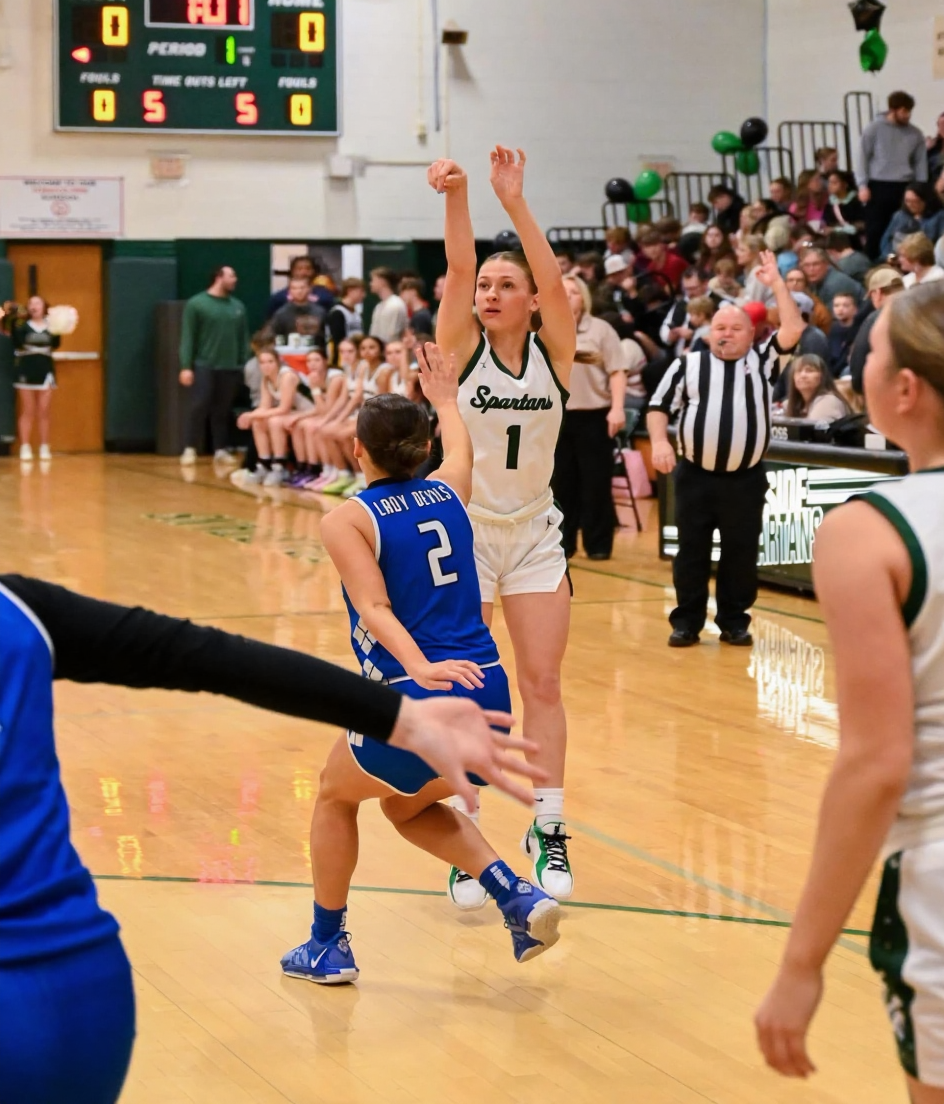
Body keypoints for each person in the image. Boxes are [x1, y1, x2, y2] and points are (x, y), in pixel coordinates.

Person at [0, 571, 536, 1104]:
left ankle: (329, 940)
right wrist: (404, 720)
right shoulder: (19, 610)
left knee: (339, 796)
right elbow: (214, 656)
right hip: (85, 987)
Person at [280, 346, 562, 985]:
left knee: (333, 795)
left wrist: (417, 667)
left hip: (417, 694)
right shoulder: (450, 491)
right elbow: (462, 448)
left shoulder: (347, 519)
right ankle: (516, 895)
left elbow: (375, 607)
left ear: (358, 450)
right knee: (406, 808)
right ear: (424, 447)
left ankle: (327, 945)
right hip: (487, 692)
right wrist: (446, 400)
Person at [754, 280, 944, 1103]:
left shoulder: (868, 530)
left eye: (869, 351)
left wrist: (802, 963)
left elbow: (876, 764)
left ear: (903, 390)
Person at [429, 146, 578, 905]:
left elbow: (552, 278)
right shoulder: (460, 351)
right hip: (467, 532)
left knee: (542, 682)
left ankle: (548, 825)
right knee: (477, 686)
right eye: (487, 286)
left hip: (534, 533)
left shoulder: (557, 353)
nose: (490, 292)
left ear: (531, 301)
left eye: (505, 285)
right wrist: (458, 196)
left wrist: (515, 202)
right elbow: (457, 269)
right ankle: (468, 832)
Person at [647, 252, 803, 648]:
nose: (726, 334)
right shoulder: (688, 365)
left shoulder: (765, 361)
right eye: (720, 327)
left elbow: (793, 327)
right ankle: (687, 622)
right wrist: (660, 441)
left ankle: (734, 621)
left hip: (745, 480)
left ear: (752, 334)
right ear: (708, 331)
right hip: (695, 476)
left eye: (736, 328)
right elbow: (658, 407)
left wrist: (777, 283)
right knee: (691, 552)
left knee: (741, 553)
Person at [551, 275, 625, 561]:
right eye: (562, 291)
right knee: (561, 484)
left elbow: (617, 370)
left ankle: (598, 545)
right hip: (556, 417)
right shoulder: (545, 327)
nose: (568, 296)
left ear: (583, 297)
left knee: (596, 483)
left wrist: (618, 408)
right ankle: (563, 543)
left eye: (573, 292)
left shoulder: (601, 330)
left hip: (595, 416)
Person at [178, 265, 250, 467]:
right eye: (231, 275)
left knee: (223, 409)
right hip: (205, 364)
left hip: (230, 366)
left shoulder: (238, 306)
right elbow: (188, 337)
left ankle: (220, 449)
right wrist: (186, 366)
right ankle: (190, 448)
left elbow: (243, 338)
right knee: (199, 405)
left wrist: (243, 363)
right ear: (219, 277)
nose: (235, 279)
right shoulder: (197, 304)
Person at [858, 91, 929, 259]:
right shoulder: (874, 129)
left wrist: (921, 187)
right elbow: (862, 158)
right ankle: (873, 264)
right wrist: (862, 185)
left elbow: (920, 163)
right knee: (876, 229)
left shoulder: (915, 134)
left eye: (909, 111)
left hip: (904, 185)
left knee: (902, 228)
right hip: (878, 185)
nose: (907, 115)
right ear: (892, 110)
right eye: (904, 111)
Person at [235, 347, 314, 487]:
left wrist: (251, 415)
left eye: (270, 361)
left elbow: (284, 408)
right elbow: (264, 407)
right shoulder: (266, 379)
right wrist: (249, 416)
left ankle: (280, 466)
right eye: (262, 362)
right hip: (293, 412)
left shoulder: (287, 376)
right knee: (258, 422)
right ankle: (264, 464)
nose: (266, 366)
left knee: (274, 421)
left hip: (310, 411)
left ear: (278, 362)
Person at [10, 296, 60, 463]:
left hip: (45, 370)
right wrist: (14, 320)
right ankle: (25, 447)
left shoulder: (52, 326)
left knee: (44, 411)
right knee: (28, 410)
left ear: (44, 307)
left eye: (37, 303)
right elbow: (17, 343)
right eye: (31, 303)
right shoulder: (22, 326)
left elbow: (56, 344)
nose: (34, 306)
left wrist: (59, 326)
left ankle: (44, 446)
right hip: (26, 369)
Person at [848, 266, 906, 394]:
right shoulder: (920, 312)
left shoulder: (877, 319)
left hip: (887, 393)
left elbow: (858, 366)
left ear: (877, 293)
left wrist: (858, 387)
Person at [880, 183, 944, 260]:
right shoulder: (899, 215)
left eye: (915, 201)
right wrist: (891, 256)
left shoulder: (939, 217)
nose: (910, 205)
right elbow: (886, 240)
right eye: (907, 201)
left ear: (926, 201)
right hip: (896, 258)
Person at [784, 353, 850, 421]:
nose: (803, 375)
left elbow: (811, 427)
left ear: (822, 376)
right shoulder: (790, 403)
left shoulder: (828, 401)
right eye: (799, 371)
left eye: (809, 371)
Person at [266, 255, 334, 318]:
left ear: (314, 271)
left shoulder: (325, 295)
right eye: (299, 269)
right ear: (292, 271)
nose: (303, 272)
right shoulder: (279, 298)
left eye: (308, 269)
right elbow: (271, 320)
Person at [799, 248, 864, 311]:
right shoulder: (815, 280)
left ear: (826, 264)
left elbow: (837, 315)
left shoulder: (835, 283)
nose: (811, 269)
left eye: (816, 264)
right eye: (806, 265)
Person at [270, 275, 327, 341]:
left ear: (310, 289)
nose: (299, 291)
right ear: (289, 291)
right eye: (294, 288)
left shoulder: (320, 312)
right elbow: (273, 336)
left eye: (302, 288)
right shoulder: (281, 314)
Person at [325, 277, 366, 357]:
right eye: (361, 291)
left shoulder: (356, 314)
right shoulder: (337, 312)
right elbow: (338, 341)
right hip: (341, 357)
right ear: (350, 291)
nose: (363, 295)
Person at [368, 267, 408, 343]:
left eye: (373, 280)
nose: (371, 284)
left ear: (382, 281)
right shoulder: (379, 306)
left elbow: (392, 335)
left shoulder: (395, 304)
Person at [823, 172, 867, 239]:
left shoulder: (857, 201)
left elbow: (863, 223)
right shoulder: (830, 203)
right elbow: (829, 224)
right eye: (829, 183)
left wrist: (838, 229)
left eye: (834, 183)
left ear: (845, 184)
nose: (830, 186)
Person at [827, 291, 860, 376]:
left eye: (845, 306)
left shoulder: (859, 331)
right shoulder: (832, 329)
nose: (840, 309)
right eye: (836, 306)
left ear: (855, 310)